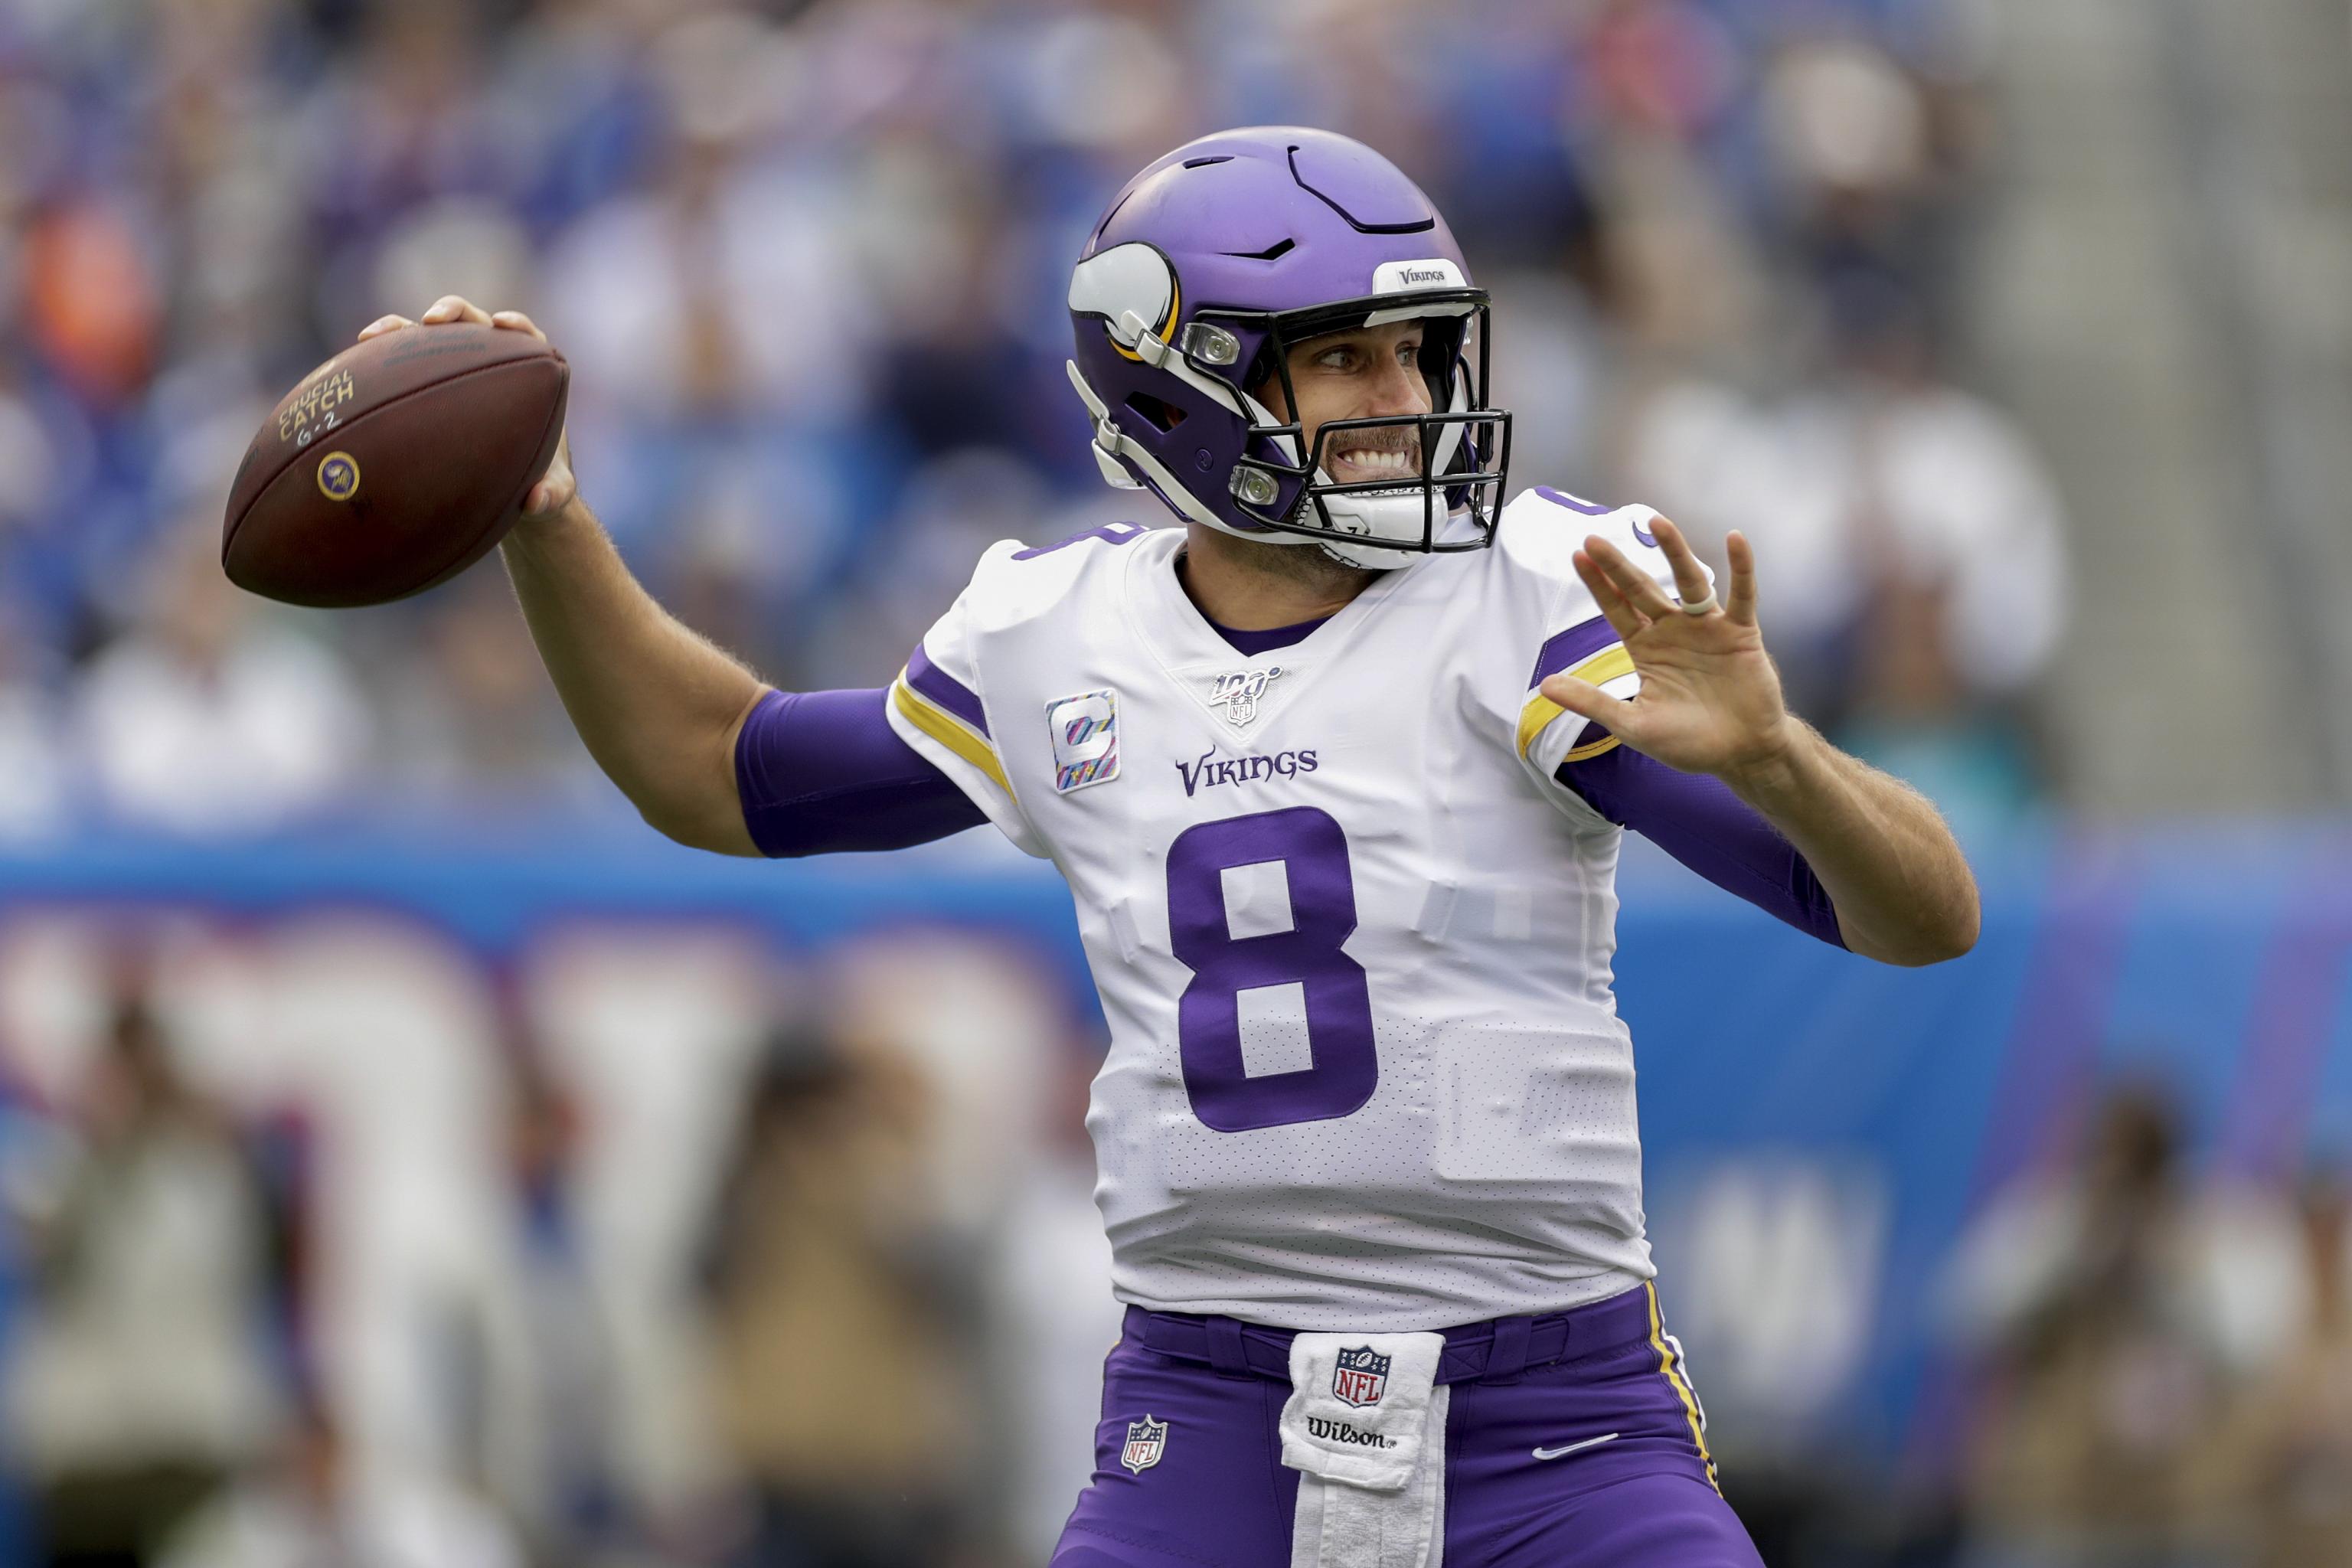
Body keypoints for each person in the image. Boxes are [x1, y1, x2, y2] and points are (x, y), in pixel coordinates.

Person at [359, 127, 1977, 1568]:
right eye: (1347, 363)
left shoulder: (1542, 594)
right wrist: (547, 517)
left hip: (1550, 1416)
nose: (1408, 400)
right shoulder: (1059, 635)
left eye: (1421, 354)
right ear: (1178, 380)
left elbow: (1921, 916)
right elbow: (718, 769)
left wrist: (1780, 755)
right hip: (1211, 1419)